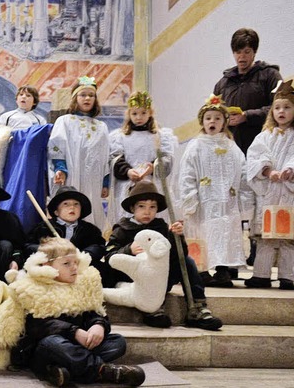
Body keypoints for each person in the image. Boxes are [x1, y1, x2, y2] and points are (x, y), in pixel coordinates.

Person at [0, 237, 145, 387]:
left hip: (78, 346)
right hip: (44, 347)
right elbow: (38, 326)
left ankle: (61, 370)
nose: (74, 268)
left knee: (117, 342)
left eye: (76, 262)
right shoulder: (33, 288)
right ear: (48, 266)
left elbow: (94, 311)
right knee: (53, 343)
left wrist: (97, 326)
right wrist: (74, 332)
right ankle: (102, 370)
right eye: (66, 263)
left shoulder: (82, 285)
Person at [104, 180, 223, 331]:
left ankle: (196, 308)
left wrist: (176, 237)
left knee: (187, 261)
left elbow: (178, 255)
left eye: (152, 207)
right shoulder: (122, 230)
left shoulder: (160, 227)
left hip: (160, 280)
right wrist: (129, 250)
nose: (147, 212)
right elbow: (109, 258)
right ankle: (151, 309)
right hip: (135, 282)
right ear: (133, 208)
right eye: (142, 206)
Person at [179, 95, 253, 288]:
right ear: (202, 122)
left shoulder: (231, 146)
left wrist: (243, 201)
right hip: (204, 203)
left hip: (227, 203)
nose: (213, 121)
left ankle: (222, 270)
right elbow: (187, 173)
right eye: (208, 118)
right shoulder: (195, 146)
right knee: (202, 235)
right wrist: (189, 198)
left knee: (226, 234)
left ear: (224, 123)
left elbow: (243, 173)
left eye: (217, 118)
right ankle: (201, 271)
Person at [244, 80, 294, 290]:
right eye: (277, 107)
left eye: (287, 107)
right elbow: (254, 158)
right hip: (269, 194)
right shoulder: (264, 136)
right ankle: (261, 275)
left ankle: (288, 276)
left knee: (288, 239)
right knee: (265, 238)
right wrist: (267, 171)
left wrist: (290, 170)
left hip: (289, 194)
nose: (281, 111)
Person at [48, 76, 110, 231]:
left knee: (90, 205)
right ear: (75, 98)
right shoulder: (65, 121)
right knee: (71, 203)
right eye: (83, 95)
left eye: (91, 95)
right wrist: (60, 168)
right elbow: (56, 146)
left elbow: (105, 156)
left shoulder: (101, 126)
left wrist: (105, 182)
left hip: (93, 179)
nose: (87, 98)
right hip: (72, 174)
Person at [108, 91, 176, 225]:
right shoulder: (120, 137)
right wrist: (128, 171)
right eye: (134, 114)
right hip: (128, 184)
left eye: (143, 113)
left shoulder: (160, 136)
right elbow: (115, 158)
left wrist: (153, 167)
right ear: (129, 114)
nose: (139, 117)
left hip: (152, 184)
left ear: (150, 113)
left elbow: (166, 158)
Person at [213, 28, 282, 155]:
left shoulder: (270, 75)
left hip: (263, 150)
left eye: (246, 52)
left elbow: (281, 109)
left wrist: (247, 116)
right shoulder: (222, 84)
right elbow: (211, 115)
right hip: (230, 151)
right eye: (238, 52)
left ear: (254, 52)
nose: (241, 57)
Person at [26, 186, 109, 283]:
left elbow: (99, 246)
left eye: (76, 204)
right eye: (66, 204)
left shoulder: (90, 229)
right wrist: (50, 251)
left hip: (79, 268)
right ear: (56, 211)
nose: (72, 207)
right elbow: (29, 246)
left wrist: (84, 255)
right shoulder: (43, 227)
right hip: (52, 267)